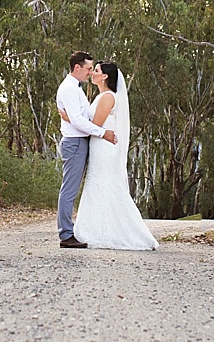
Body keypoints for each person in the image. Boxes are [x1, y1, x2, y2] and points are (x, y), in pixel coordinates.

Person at [67, 61, 157, 251]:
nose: (93, 73)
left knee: (106, 184)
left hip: (104, 148)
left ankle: (123, 232)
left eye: (96, 71)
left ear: (105, 76)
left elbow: (96, 124)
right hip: (99, 145)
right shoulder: (101, 96)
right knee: (98, 185)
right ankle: (96, 229)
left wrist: (71, 118)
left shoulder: (108, 97)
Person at [55, 50, 112, 249]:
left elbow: (81, 117)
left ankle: (71, 232)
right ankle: (66, 235)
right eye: (88, 68)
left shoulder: (76, 88)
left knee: (73, 189)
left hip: (81, 142)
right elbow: (79, 120)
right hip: (74, 143)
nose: (90, 72)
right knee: (69, 190)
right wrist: (102, 133)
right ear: (77, 67)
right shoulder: (69, 88)